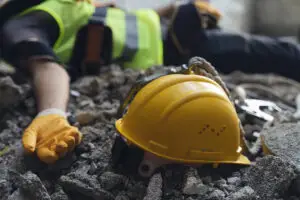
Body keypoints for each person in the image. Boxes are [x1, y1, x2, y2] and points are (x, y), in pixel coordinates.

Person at [1, 0, 300, 164]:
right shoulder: (23, 23)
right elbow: (46, 68)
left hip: (171, 31)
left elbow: (119, 23)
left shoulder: (58, 6)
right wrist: (50, 112)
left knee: (273, 51)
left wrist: (173, 10)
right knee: (278, 52)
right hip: (174, 46)